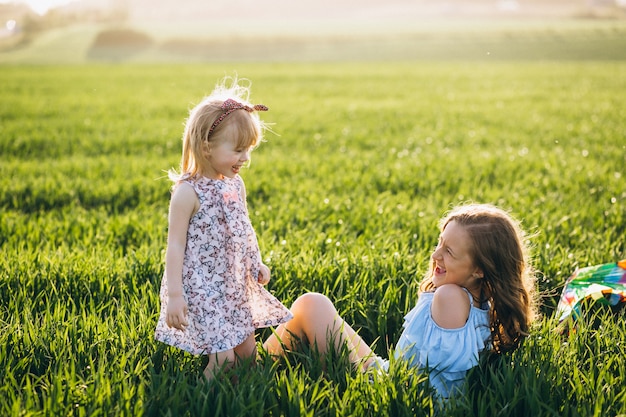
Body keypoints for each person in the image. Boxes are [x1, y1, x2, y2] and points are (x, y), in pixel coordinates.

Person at [263, 203, 537, 399]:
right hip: (395, 377)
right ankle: (254, 369)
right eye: (439, 242)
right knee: (312, 305)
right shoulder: (483, 301)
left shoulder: (450, 296)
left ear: (479, 270)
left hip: (396, 393)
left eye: (449, 252)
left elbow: (430, 383)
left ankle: (249, 373)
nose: (436, 254)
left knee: (313, 306)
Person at [154, 77, 293, 381]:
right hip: (201, 288)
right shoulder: (187, 193)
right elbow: (175, 246)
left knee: (247, 355)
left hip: (232, 282)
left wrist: (256, 261)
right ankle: (196, 401)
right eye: (238, 150)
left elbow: (244, 227)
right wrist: (175, 295)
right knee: (224, 359)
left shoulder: (234, 184)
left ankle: (250, 394)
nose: (245, 158)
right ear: (206, 147)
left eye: (249, 150)